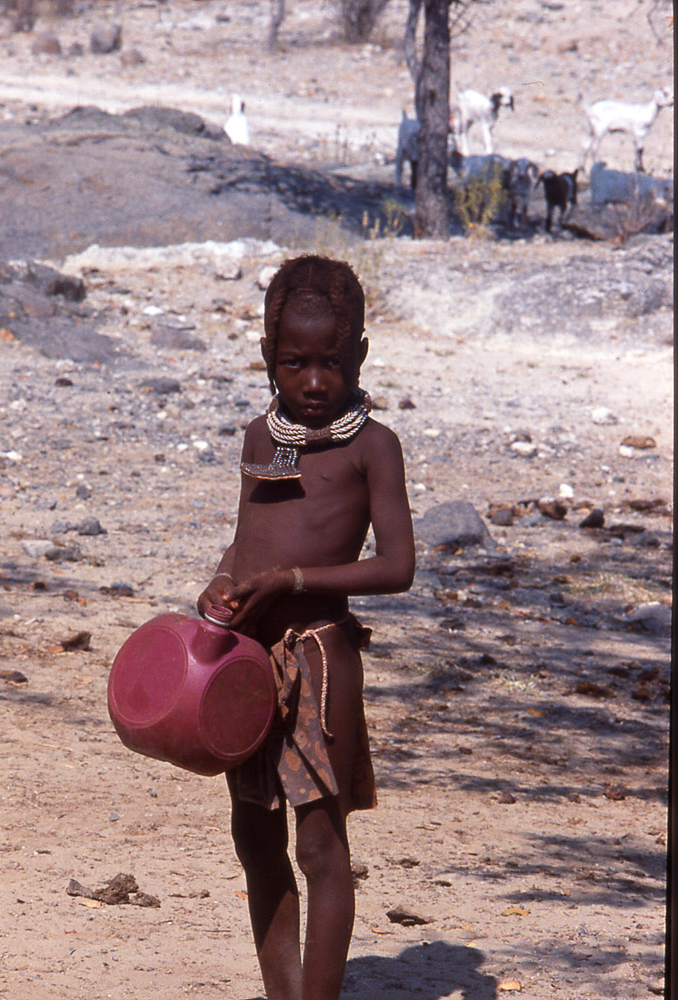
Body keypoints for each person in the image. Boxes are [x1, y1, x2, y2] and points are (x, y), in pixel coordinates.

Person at [197, 254, 415, 1000]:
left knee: (320, 844)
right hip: (249, 660)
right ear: (268, 355)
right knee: (253, 834)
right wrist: (222, 579)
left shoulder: (373, 447)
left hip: (320, 660)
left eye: (332, 364)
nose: (315, 382)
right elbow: (245, 541)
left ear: (360, 355)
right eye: (295, 363)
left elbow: (397, 566)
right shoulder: (260, 438)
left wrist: (294, 581)